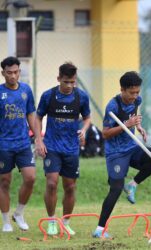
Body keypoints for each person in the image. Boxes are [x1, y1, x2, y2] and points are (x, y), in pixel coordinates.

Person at [92, 71, 151, 238]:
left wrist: (138, 127)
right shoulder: (113, 106)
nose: (135, 96)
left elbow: (134, 117)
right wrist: (126, 124)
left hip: (132, 147)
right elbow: (106, 133)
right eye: (131, 93)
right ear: (122, 89)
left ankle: (133, 184)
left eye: (137, 92)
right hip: (116, 153)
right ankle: (100, 229)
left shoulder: (137, 100)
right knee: (115, 189)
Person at [35, 62, 91, 236]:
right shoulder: (48, 96)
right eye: (66, 82)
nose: (69, 86)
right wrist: (39, 140)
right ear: (59, 79)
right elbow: (38, 117)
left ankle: (65, 222)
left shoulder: (81, 96)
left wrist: (83, 130)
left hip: (71, 148)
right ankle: (51, 221)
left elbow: (88, 118)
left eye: (73, 82)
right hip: (51, 146)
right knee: (51, 183)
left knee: (70, 187)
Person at [0, 56, 37, 232]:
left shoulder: (26, 90)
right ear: (3, 73)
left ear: (19, 72)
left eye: (16, 72)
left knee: (30, 178)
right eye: (9, 73)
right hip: (3, 145)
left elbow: (31, 114)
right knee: (4, 182)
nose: (13, 76)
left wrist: (38, 138)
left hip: (23, 143)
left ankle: (19, 213)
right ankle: (6, 221)